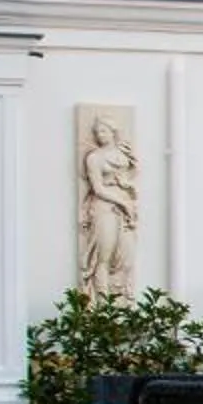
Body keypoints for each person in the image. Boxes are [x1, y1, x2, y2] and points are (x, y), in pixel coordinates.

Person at [76, 114, 139, 298]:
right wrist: (123, 203)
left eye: (103, 131)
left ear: (113, 132)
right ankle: (102, 305)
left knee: (126, 257)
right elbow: (97, 188)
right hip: (104, 207)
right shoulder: (94, 158)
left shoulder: (124, 154)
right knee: (104, 256)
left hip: (125, 209)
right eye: (97, 132)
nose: (99, 135)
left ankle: (121, 298)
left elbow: (129, 179)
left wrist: (128, 191)